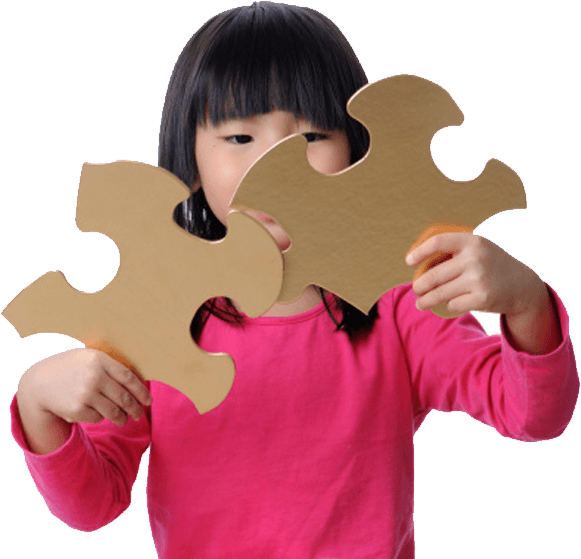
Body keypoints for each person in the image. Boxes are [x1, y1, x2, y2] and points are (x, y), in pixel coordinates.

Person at [9, 2, 578, 558]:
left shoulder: (397, 303)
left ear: (359, 148)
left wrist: (526, 302)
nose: (273, 167)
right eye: (239, 138)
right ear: (191, 158)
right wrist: (38, 404)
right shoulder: (155, 320)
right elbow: (92, 505)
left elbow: (533, 415)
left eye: (309, 138)